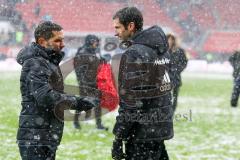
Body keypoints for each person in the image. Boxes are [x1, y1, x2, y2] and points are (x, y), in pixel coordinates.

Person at [16, 21, 98, 160]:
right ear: (42, 41)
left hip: (44, 134)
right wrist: (77, 102)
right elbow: (45, 96)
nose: (62, 44)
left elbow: (54, 93)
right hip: (36, 136)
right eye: (57, 40)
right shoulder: (36, 63)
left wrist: (80, 100)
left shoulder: (47, 62)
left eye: (62, 39)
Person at [111, 7, 174, 160]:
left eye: (118, 27)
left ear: (131, 26)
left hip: (141, 133)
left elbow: (132, 102)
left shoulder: (134, 53)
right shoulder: (161, 49)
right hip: (159, 128)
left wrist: (119, 137)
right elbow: (169, 84)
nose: (116, 33)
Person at [73, 34, 108, 130]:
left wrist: (103, 60)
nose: (97, 43)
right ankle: (75, 122)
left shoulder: (96, 51)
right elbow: (79, 69)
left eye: (97, 41)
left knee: (98, 103)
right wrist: (83, 82)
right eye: (95, 41)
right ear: (90, 42)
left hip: (96, 82)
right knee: (82, 103)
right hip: (86, 84)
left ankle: (99, 124)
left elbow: (98, 63)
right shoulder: (82, 52)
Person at [167, 34, 188, 112]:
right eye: (168, 39)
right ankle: (166, 111)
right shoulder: (163, 51)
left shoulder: (180, 51)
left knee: (175, 97)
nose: (169, 41)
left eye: (171, 40)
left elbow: (184, 62)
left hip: (176, 78)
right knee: (166, 97)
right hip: (165, 79)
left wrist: (176, 70)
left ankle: (172, 112)